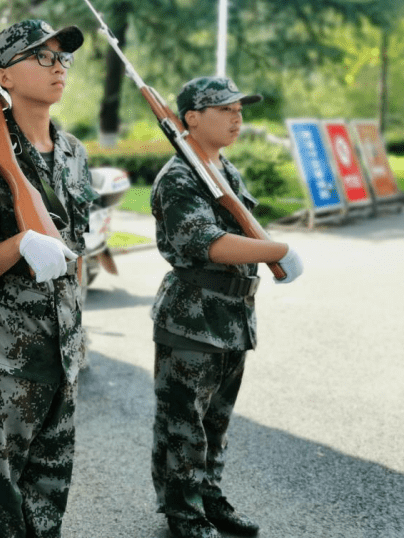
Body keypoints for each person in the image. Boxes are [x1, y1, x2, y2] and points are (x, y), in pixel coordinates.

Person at [0, 19, 97, 538]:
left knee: (50, 492)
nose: (58, 66)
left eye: (63, 57)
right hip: (5, 356)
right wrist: (19, 244)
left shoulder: (75, 152)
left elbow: (77, 253)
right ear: (3, 76)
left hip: (63, 351)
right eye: (42, 56)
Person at [149, 76, 304, 538]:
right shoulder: (179, 175)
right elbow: (207, 242)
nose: (237, 117)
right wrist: (275, 250)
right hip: (191, 319)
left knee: (216, 422)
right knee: (183, 426)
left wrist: (266, 252)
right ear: (191, 118)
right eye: (225, 109)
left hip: (231, 320)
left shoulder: (222, 169)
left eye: (240, 109)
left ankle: (209, 497)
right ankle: (184, 513)